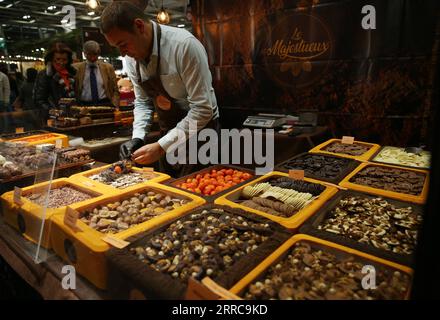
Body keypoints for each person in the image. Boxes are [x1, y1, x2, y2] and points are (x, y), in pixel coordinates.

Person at [101, 1, 220, 177]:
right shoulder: (131, 59)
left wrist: (162, 146)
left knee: (198, 190)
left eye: (123, 44)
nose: (123, 53)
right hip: (168, 132)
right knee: (171, 190)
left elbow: (203, 109)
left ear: (139, 26)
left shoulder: (183, 45)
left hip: (201, 133)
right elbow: (143, 102)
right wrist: (138, 137)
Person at [34, 42, 76, 122]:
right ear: (51, 59)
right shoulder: (45, 75)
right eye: (58, 59)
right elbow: (39, 100)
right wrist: (54, 112)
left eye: (64, 59)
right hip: (52, 119)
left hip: (70, 117)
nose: (61, 62)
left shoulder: (71, 73)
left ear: (68, 60)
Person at [74, 40, 120, 107]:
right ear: (84, 54)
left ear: (99, 53)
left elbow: (115, 90)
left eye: (95, 54)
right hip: (84, 106)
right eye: (89, 54)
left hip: (105, 104)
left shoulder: (108, 68)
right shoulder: (77, 68)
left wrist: (115, 105)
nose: (92, 58)